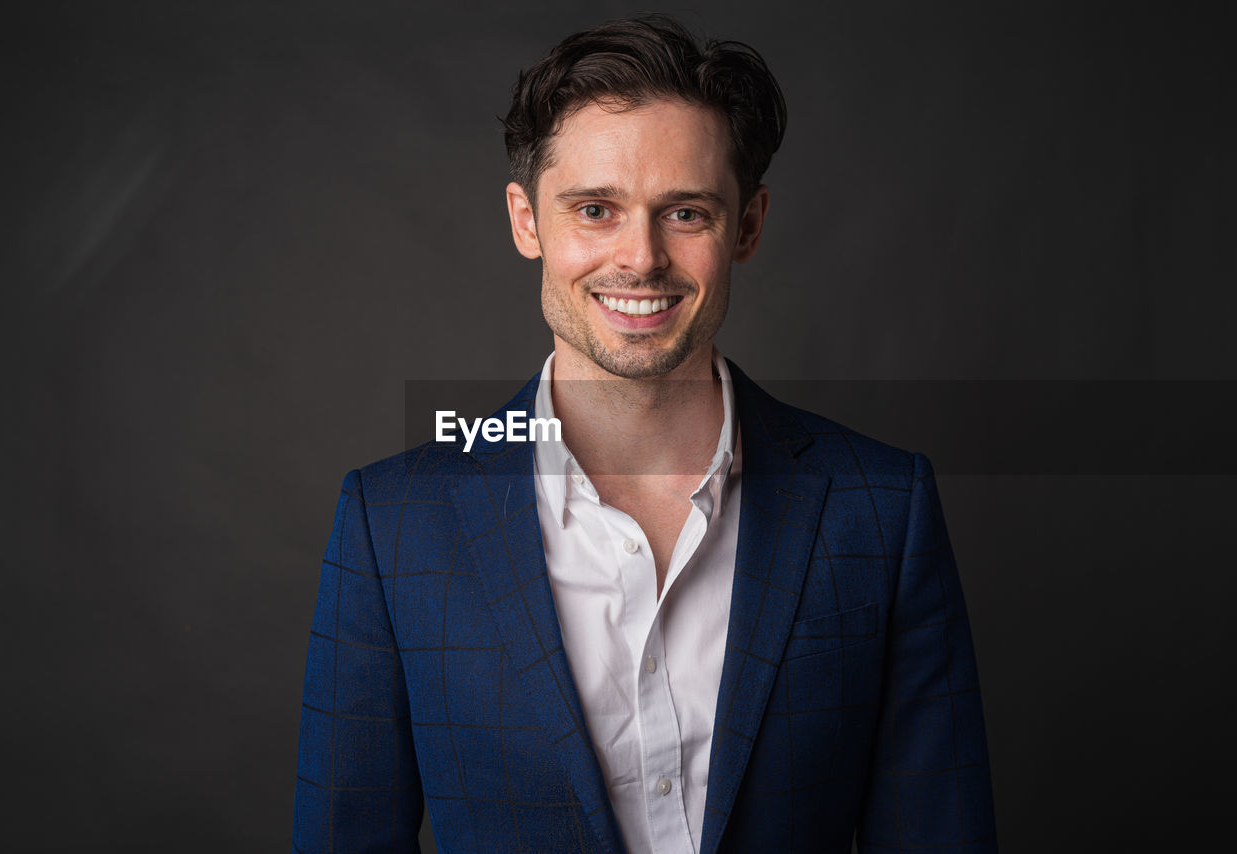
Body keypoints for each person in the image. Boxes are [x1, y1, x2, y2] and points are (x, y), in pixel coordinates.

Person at [293, 14, 996, 854]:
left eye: (687, 213)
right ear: (527, 222)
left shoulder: (881, 509)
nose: (641, 257)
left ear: (748, 225)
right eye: (595, 208)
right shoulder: (390, 523)